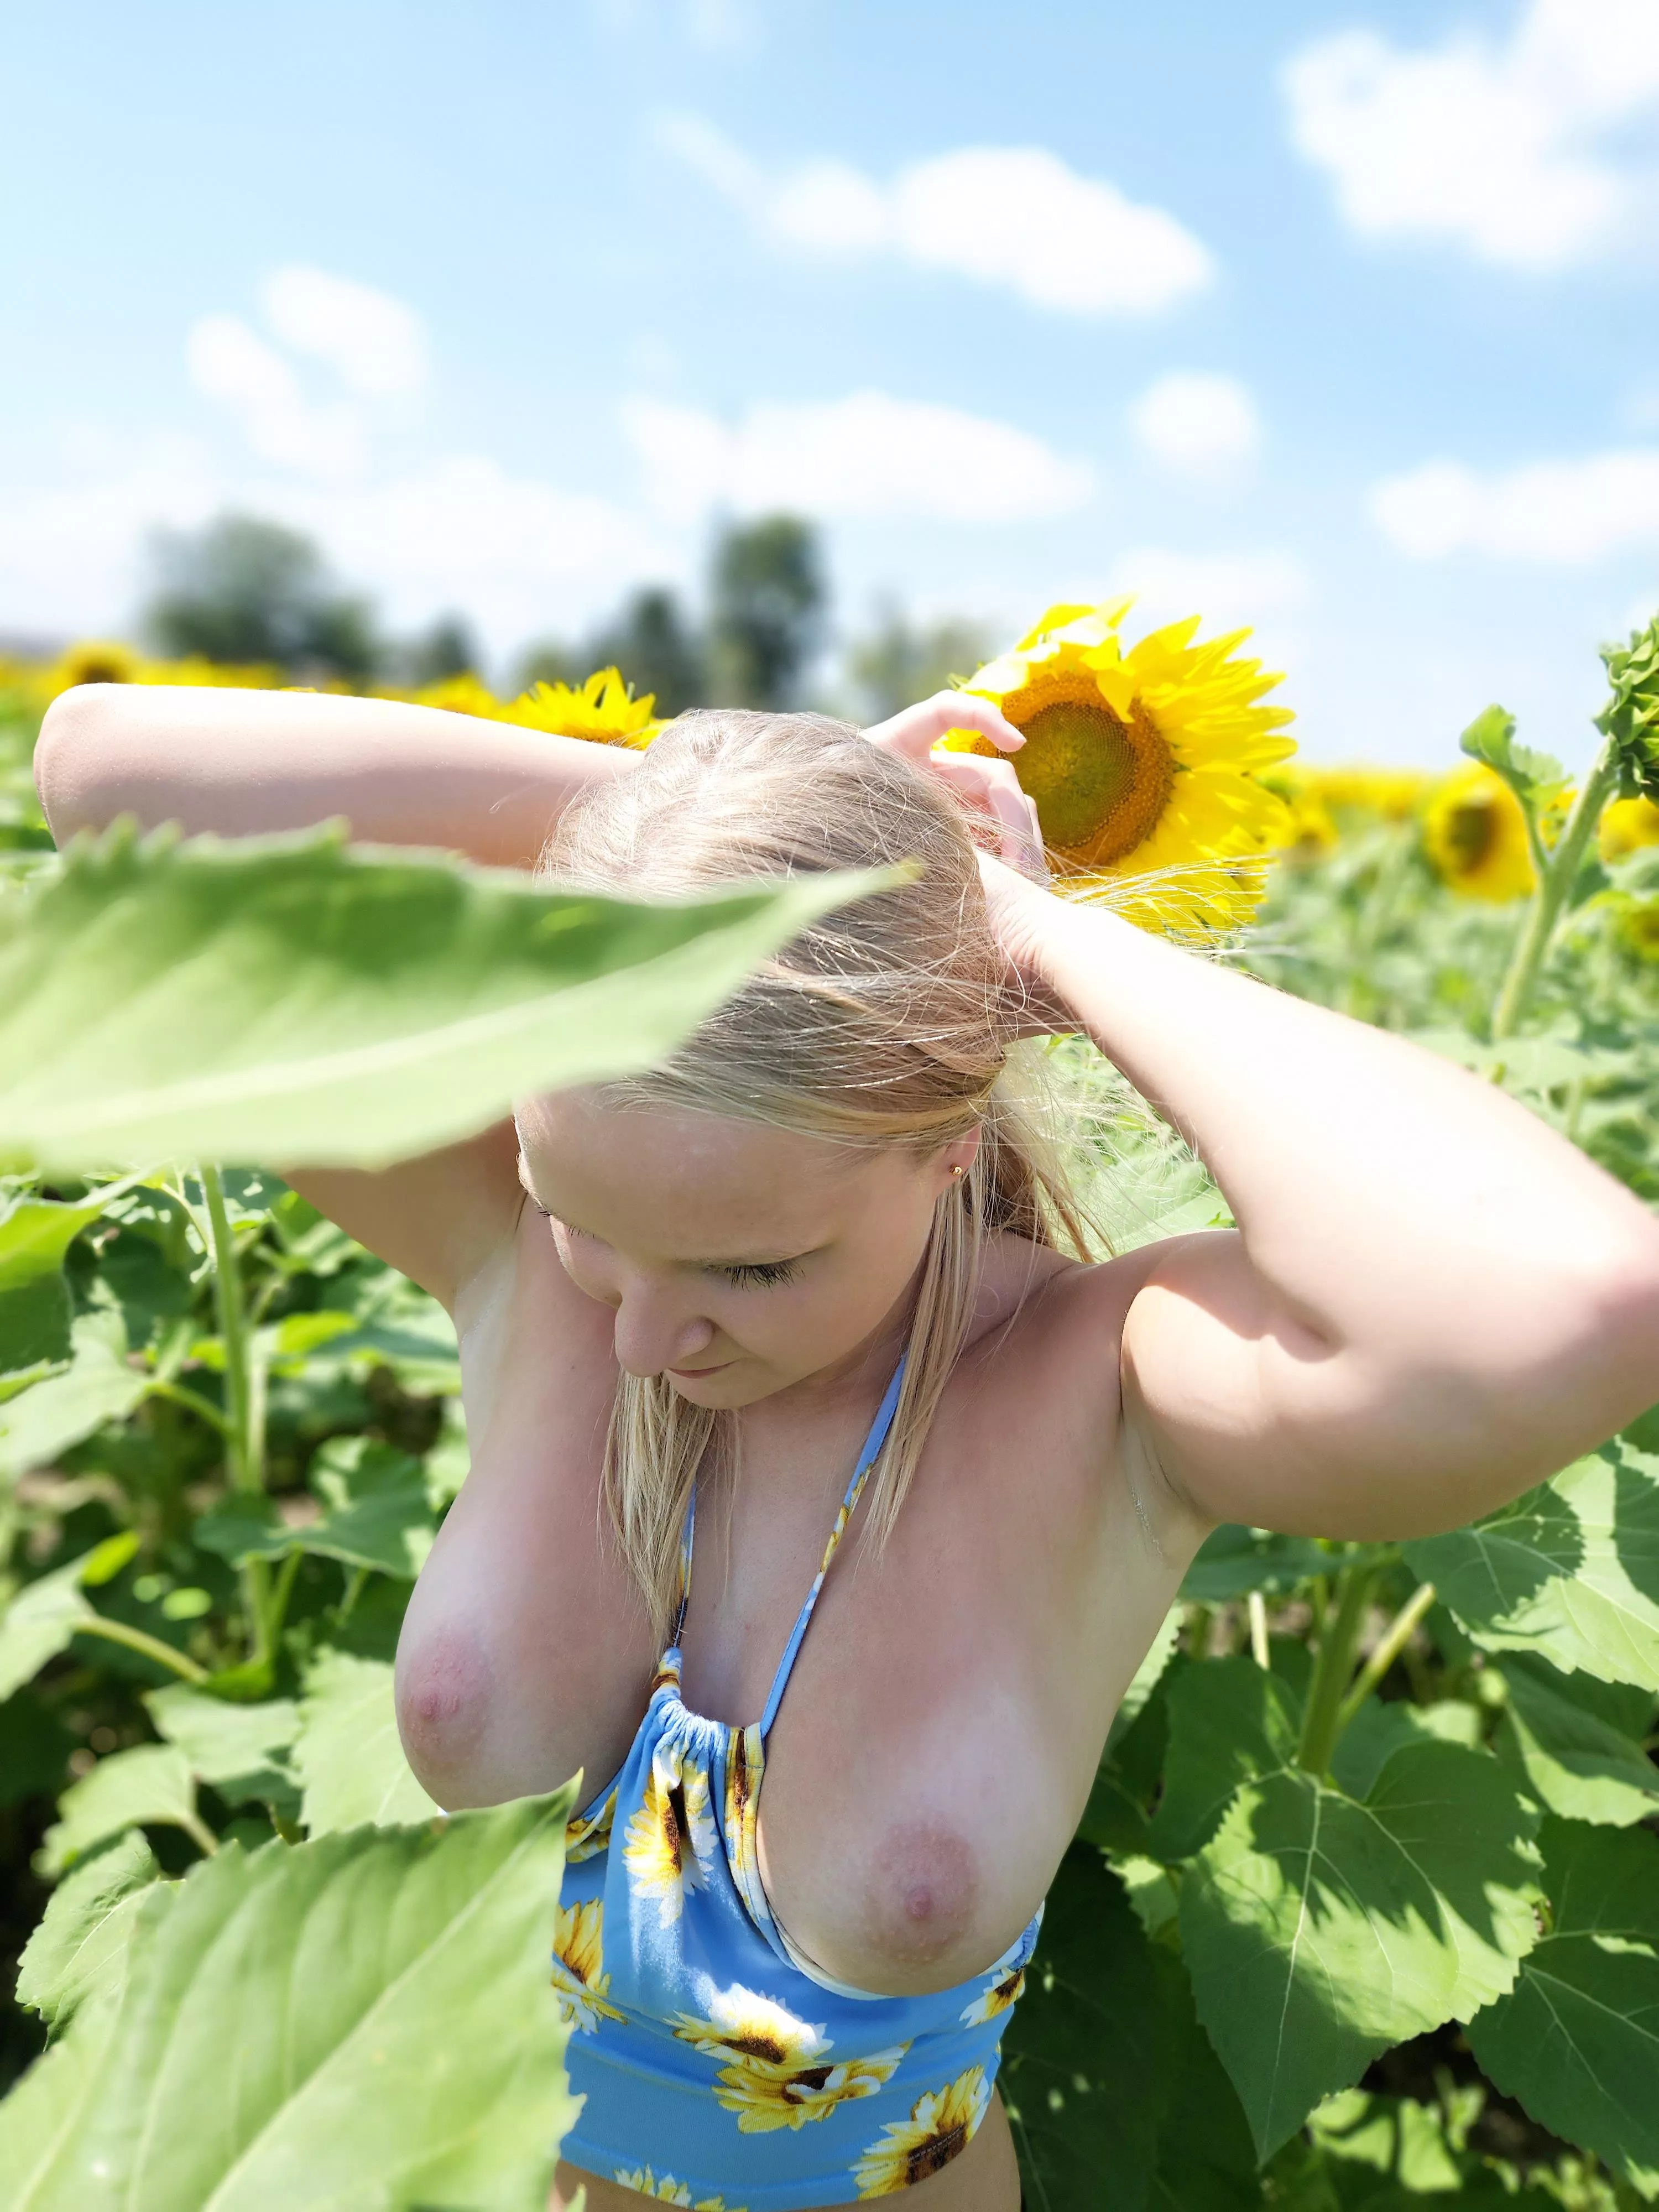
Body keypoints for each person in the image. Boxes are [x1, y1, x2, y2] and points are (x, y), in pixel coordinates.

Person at [34, 681, 1659, 2212]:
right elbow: (109, 788)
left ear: (945, 1141)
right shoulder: (522, 1266)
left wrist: (1020, 930)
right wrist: (736, 846)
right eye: (585, 1221)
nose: (641, 1343)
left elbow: (1570, 1300)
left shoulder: (1092, 1393)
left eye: (752, 1269)